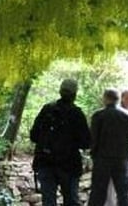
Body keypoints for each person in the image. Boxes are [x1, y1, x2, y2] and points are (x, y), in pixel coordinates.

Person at [30, 78, 91, 206]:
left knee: (48, 201)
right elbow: (86, 142)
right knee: (71, 201)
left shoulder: (47, 109)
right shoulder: (77, 114)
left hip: (46, 162)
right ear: (74, 94)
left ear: (60, 91)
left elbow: (34, 135)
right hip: (69, 165)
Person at [88, 88, 128, 206]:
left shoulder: (98, 116)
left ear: (105, 98)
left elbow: (93, 139)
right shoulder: (127, 116)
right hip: (120, 159)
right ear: (117, 99)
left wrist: (93, 154)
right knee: (123, 193)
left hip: (102, 159)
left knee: (98, 193)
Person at [106, 89, 128, 206]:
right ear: (122, 98)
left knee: (125, 184)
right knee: (110, 185)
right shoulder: (116, 112)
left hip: (127, 154)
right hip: (114, 154)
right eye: (127, 98)